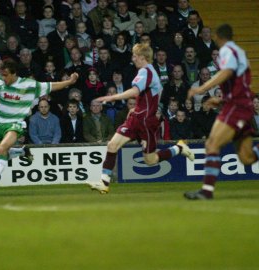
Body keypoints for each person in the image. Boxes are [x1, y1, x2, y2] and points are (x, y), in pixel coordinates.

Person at [0, 59, 79, 193]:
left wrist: (69, 82)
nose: (3, 77)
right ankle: (22, 151)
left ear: (14, 74)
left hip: (16, 124)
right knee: (1, 155)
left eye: (6, 75)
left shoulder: (28, 85)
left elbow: (52, 86)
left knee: (2, 148)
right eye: (2, 74)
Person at [87, 43, 195, 194]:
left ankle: (179, 148)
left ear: (142, 57)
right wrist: (135, 109)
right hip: (136, 118)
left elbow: (135, 91)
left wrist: (113, 97)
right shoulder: (146, 72)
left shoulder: (146, 72)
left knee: (150, 160)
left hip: (145, 123)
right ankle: (104, 182)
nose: (133, 59)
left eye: (135, 56)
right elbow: (144, 97)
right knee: (112, 145)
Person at [184, 24, 259, 199]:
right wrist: (222, 99)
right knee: (246, 158)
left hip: (237, 107)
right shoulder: (238, 52)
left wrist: (202, 88)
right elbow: (239, 82)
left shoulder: (227, 51)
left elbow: (226, 72)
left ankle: (206, 191)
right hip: (235, 105)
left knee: (212, 144)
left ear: (217, 37)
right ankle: (206, 192)